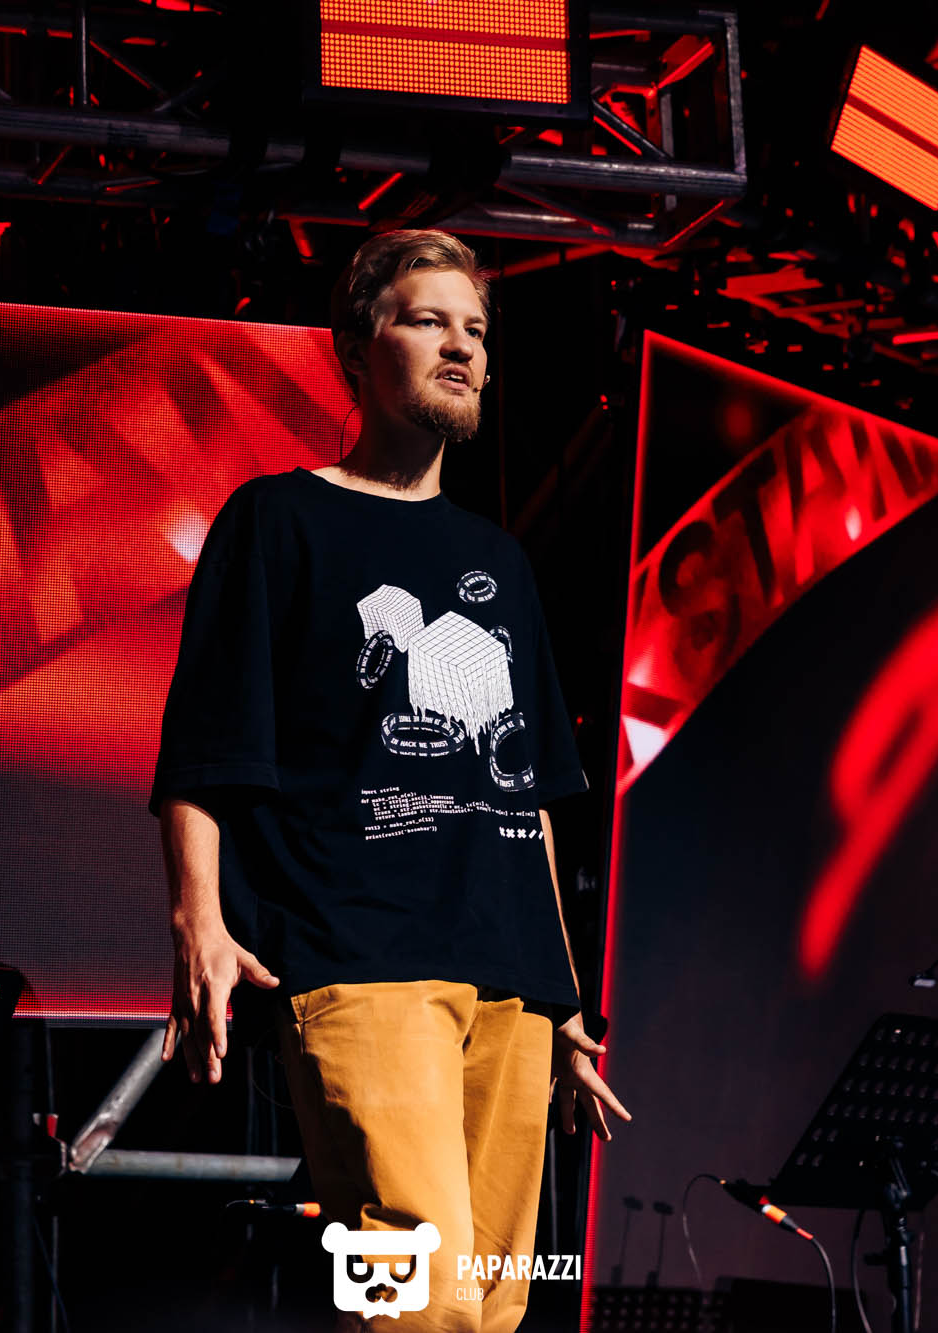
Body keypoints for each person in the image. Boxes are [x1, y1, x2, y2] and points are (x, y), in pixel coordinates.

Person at [148, 228, 629, 1332]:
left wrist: (560, 999)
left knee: (492, 1308)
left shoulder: (499, 560)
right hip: (358, 958)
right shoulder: (277, 519)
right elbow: (208, 744)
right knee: (423, 1303)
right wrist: (197, 920)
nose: (461, 348)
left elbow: (528, 797)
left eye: (475, 331)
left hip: (508, 983)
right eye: (427, 321)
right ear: (356, 350)